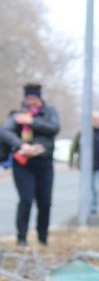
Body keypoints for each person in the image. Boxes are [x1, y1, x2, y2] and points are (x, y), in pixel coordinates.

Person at [0, 85, 60, 246]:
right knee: (26, 200)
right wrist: (22, 145)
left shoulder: (49, 113)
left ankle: (42, 238)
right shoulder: (18, 115)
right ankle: (21, 239)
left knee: (45, 202)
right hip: (24, 163)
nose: (31, 102)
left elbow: (54, 128)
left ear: (39, 99)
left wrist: (32, 121)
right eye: (28, 99)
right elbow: (5, 132)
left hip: (44, 162)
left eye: (34, 99)